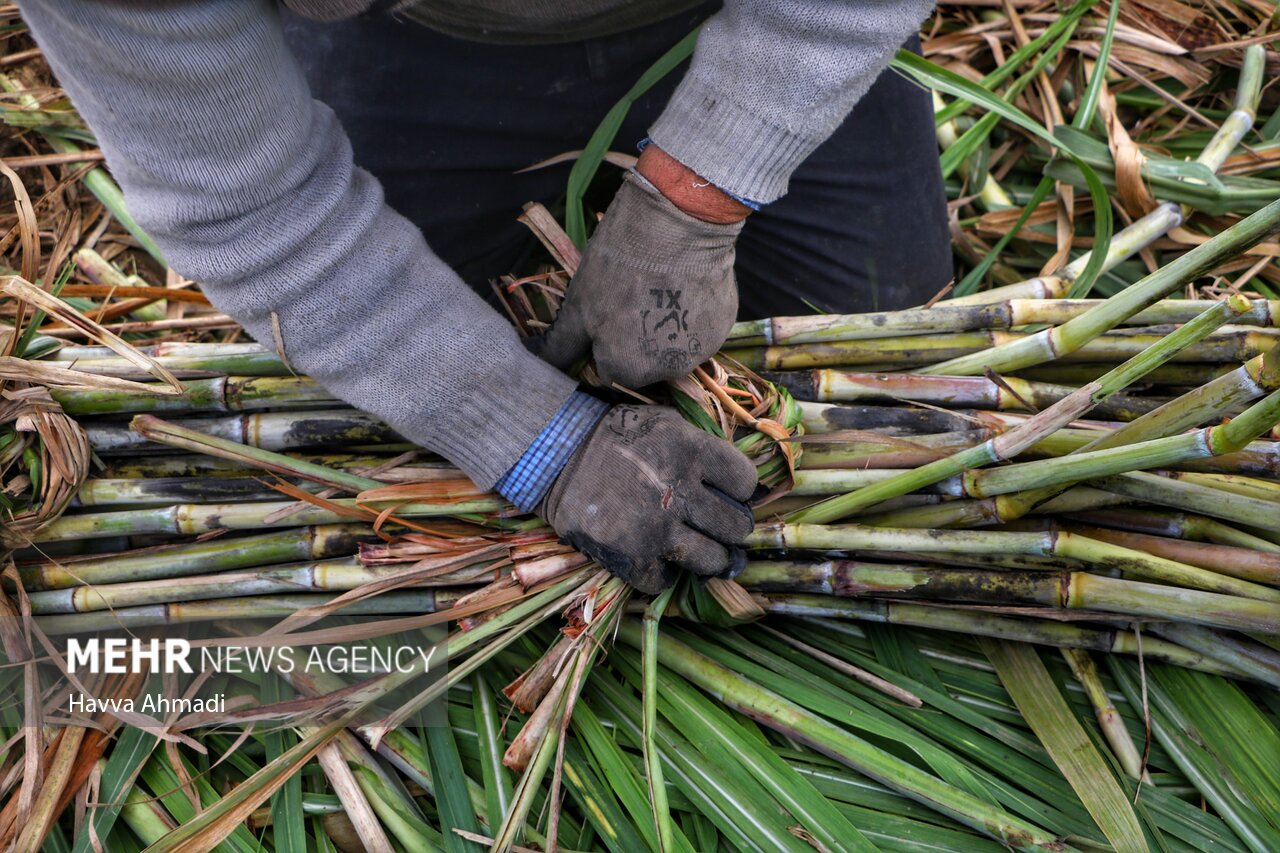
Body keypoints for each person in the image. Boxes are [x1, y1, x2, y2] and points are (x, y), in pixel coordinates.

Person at [23, 1, 949, 594]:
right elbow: (250, 201)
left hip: (751, 12)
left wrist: (698, 198)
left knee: (894, 401)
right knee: (404, 452)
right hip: (414, 40)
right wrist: (534, 441)